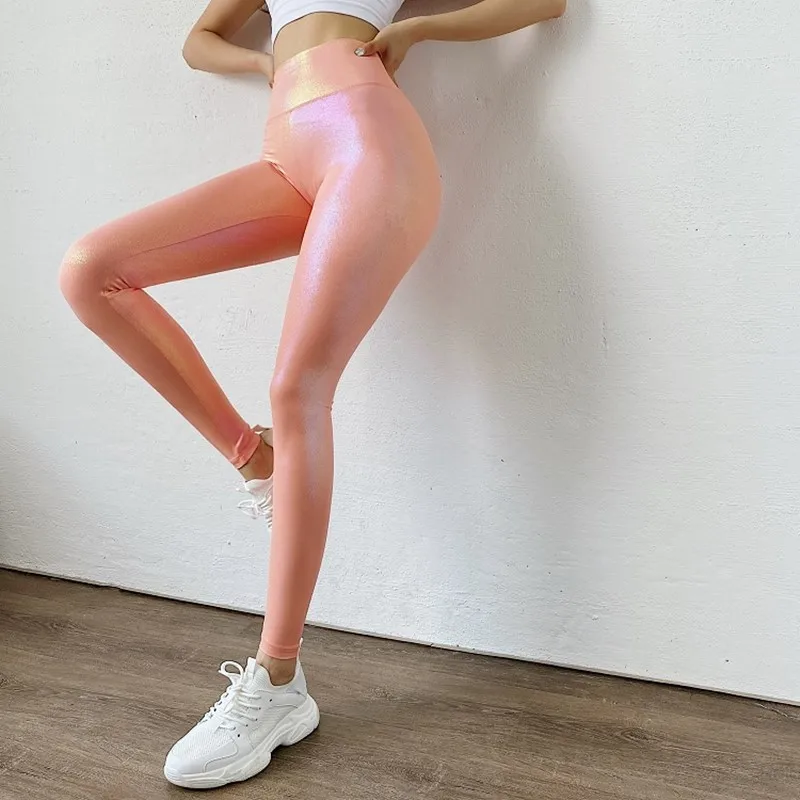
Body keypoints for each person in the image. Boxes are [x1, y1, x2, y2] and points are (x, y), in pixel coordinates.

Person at [58, 0, 566, 788]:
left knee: (298, 388)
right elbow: (200, 40)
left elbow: (546, 2)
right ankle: (251, 456)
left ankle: (278, 681)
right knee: (92, 271)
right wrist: (262, 64)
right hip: (285, 156)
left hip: (371, 144)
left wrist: (418, 29)